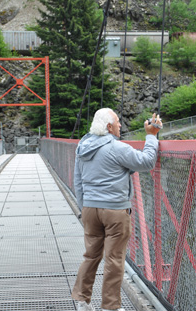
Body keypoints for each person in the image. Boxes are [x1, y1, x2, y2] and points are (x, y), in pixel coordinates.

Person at [71, 108, 162, 311]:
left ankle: (82, 302)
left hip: (90, 209)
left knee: (90, 256)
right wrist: (151, 136)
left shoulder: (82, 147)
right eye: (118, 122)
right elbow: (147, 162)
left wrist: (82, 208)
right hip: (114, 212)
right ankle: (110, 307)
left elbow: (78, 181)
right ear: (109, 127)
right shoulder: (116, 148)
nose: (121, 125)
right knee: (114, 259)